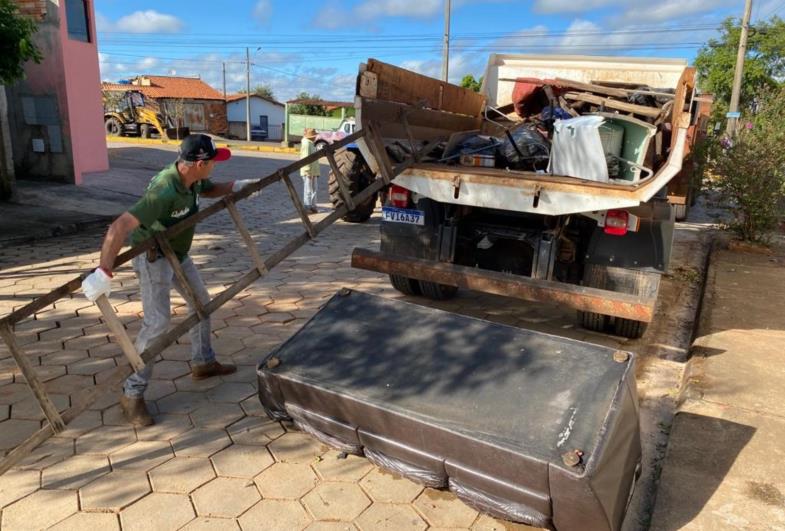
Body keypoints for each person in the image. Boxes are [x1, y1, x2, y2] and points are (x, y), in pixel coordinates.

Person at [81, 134, 259, 427]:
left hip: (178, 253)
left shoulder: (192, 177)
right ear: (199, 163)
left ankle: (203, 362)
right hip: (153, 257)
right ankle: (132, 393)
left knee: (202, 304)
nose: (215, 165)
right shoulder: (165, 189)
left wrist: (237, 187)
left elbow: (211, 188)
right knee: (158, 323)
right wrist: (104, 272)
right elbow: (119, 227)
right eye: (213, 161)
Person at [299, 128, 320, 214]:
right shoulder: (306, 144)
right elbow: (305, 158)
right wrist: (308, 172)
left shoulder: (311, 143)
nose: (315, 137)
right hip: (308, 172)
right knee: (308, 190)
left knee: (314, 189)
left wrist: (316, 172)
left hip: (313, 171)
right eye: (314, 136)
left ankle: (313, 206)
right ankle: (307, 206)